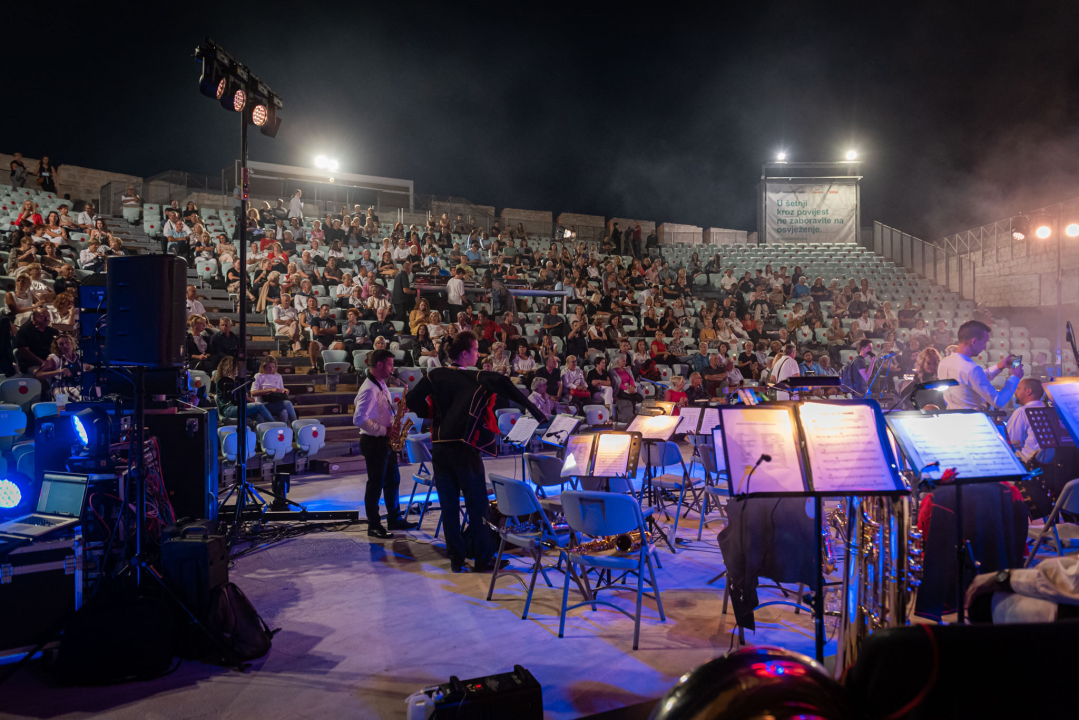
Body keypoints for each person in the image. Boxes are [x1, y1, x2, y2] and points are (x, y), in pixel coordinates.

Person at [405, 331, 546, 572]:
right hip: (464, 446)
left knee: (448, 504)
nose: (479, 354)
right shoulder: (477, 377)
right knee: (477, 504)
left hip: (440, 445)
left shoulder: (435, 374)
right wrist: (537, 413)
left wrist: (433, 415)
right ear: (464, 354)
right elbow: (506, 386)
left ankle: (456, 558)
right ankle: (483, 558)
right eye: (475, 349)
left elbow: (412, 400)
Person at [354, 348, 417, 539]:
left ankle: (394, 518)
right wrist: (385, 430)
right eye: (390, 364)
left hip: (384, 441)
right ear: (379, 364)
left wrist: (397, 410)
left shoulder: (381, 384)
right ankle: (373, 525)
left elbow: (379, 411)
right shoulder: (368, 389)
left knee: (393, 481)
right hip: (374, 441)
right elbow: (359, 419)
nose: (393, 368)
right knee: (376, 484)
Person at [938, 321, 1022, 410]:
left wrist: (999, 366)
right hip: (973, 420)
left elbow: (972, 380)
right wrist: (1015, 377)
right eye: (984, 342)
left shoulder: (944, 362)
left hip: (951, 418)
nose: (985, 347)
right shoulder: (971, 369)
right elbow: (998, 401)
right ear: (973, 341)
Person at [212, 357, 273, 425]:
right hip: (229, 410)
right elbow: (235, 398)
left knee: (259, 416)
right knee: (258, 405)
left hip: (235, 408)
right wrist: (244, 396)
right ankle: (275, 425)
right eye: (236, 367)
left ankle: (259, 435)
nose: (237, 369)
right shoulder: (224, 380)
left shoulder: (229, 380)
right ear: (230, 367)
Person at [1007, 378, 1049, 465]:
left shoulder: (1022, 412)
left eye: (1018, 388)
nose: (1015, 392)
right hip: (1046, 466)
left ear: (1028, 391)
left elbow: (1010, 443)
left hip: (1025, 465)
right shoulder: (1050, 412)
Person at [251, 356, 297, 423]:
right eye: (269, 367)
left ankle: (284, 431)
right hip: (263, 404)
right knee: (287, 403)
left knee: (284, 412)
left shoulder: (278, 376)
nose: (271, 369)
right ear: (264, 367)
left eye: (273, 367)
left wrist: (284, 390)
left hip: (276, 402)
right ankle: (296, 425)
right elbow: (253, 393)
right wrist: (270, 390)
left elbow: (281, 389)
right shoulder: (258, 376)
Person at [14, 307, 58, 373]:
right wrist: (43, 363)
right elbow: (24, 352)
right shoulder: (24, 331)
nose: (47, 319)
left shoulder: (53, 331)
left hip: (51, 362)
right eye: (42, 316)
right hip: (32, 364)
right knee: (43, 374)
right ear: (34, 318)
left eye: (48, 316)